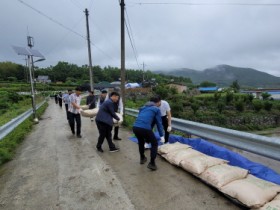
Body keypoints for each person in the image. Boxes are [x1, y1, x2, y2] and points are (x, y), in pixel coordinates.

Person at [133, 96, 165, 171]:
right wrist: (162, 135)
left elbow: (145, 119)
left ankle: (142, 158)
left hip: (135, 127)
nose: (160, 104)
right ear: (157, 102)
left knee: (141, 142)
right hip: (145, 128)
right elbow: (159, 123)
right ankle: (152, 163)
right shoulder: (156, 109)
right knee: (154, 144)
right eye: (160, 102)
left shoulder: (142, 108)